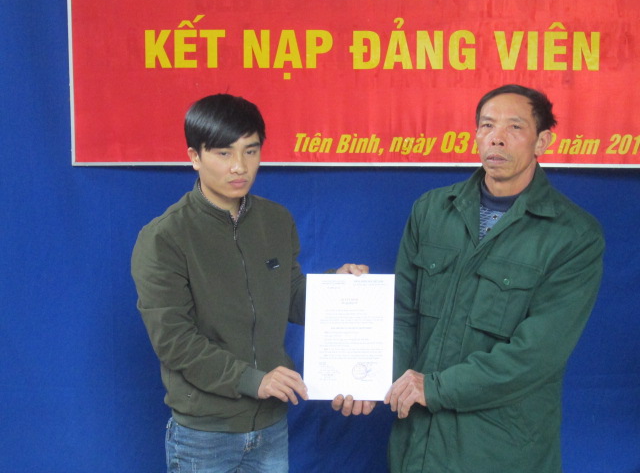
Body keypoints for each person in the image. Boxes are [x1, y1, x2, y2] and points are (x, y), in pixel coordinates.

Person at [131, 93, 367, 472]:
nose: (239, 166)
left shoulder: (276, 221)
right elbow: (174, 341)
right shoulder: (164, 237)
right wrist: (252, 380)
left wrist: (337, 290)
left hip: (271, 425)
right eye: (223, 153)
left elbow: (289, 295)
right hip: (205, 435)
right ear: (194, 156)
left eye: (250, 151)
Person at [383, 84, 605, 472]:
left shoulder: (573, 235)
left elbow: (536, 355)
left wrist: (434, 388)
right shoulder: (431, 211)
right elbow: (400, 315)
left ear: (542, 142)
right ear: (476, 135)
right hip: (418, 443)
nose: (497, 137)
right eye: (487, 125)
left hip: (501, 448)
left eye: (514, 127)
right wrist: (366, 381)